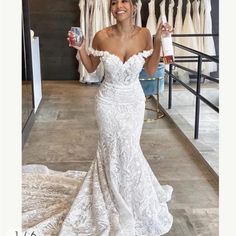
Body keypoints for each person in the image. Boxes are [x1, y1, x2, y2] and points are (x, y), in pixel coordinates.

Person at [22, 0, 174, 235]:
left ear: (134, 6)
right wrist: (80, 48)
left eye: (124, 1)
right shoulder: (101, 36)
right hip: (108, 102)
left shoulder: (145, 34)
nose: (118, 6)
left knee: (130, 148)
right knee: (110, 149)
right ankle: (109, 200)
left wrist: (157, 41)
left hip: (133, 101)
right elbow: (91, 68)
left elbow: (151, 70)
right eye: (114, 2)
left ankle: (131, 197)